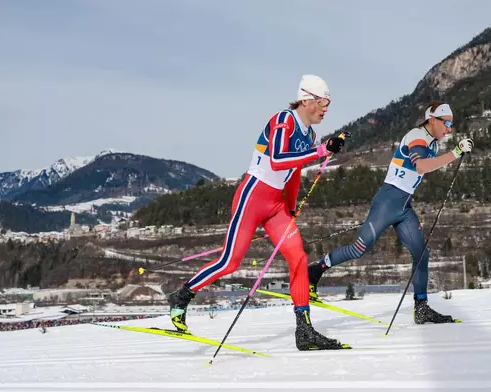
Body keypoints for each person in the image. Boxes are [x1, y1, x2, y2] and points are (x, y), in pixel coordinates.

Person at [168, 74, 350, 350]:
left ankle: (304, 330)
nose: (326, 108)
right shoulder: (284, 120)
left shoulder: (310, 134)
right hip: (253, 197)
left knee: (298, 257)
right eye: (324, 101)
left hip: (276, 205)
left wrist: (290, 206)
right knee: (230, 262)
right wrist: (322, 151)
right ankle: (182, 295)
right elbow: (277, 161)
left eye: (329, 103)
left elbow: (294, 172)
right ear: (306, 99)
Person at [307, 101, 473, 324]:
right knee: (358, 249)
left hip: (403, 207)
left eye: (452, 124)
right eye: (447, 123)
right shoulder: (417, 136)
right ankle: (315, 271)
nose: (450, 128)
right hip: (387, 203)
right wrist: (456, 152)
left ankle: (421, 307)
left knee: (421, 254)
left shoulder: (432, 143)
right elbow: (421, 167)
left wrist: (452, 153)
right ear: (432, 120)